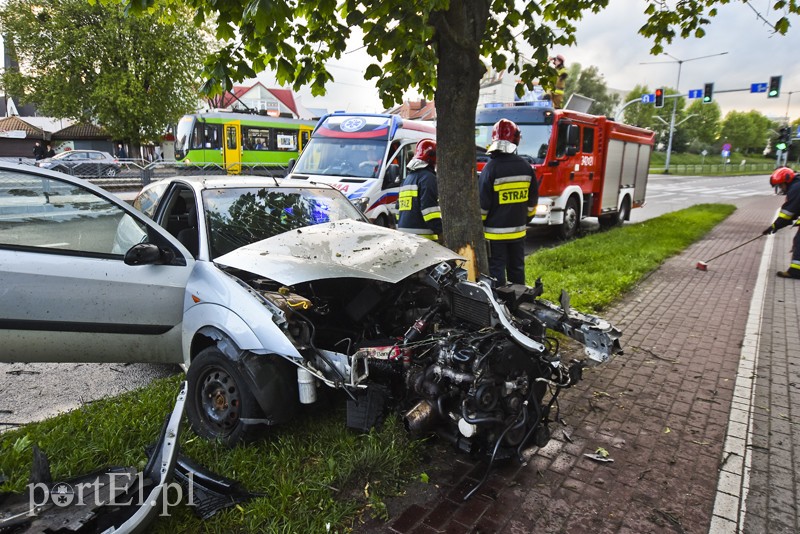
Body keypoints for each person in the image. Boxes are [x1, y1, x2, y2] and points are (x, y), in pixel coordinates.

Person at [479, 119, 538, 285]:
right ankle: (519, 305)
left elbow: (483, 206)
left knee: (496, 271)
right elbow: (532, 203)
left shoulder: (490, 169)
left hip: (494, 235)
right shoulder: (526, 167)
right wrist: (524, 219)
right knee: (517, 269)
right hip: (518, 234)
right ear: (516, 139)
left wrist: (480, 227)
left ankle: (499, 307)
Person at [396, 139, 441, 241]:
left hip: (404, 236)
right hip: (423, 239)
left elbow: (398, 210)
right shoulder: (428, 178)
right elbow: (429, 211)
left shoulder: (408, 178)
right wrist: (440, 231)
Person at [762, 166, 800, 279]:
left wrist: (774, 226)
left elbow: (787, 213)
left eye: (780, 185)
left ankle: (795, 271)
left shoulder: (796, 188)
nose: (781, 188)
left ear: (786, 181)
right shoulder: (797, 185)